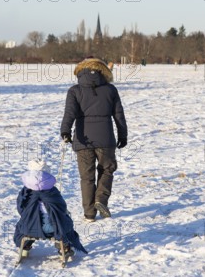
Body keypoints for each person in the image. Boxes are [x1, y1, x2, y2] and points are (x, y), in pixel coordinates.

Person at [61, 57, 128, 221]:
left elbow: (69, 113)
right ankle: (101, 199)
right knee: (107, 169)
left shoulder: (74, 90)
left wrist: (65, 131)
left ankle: (89, 214)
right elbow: (119, 115)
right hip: (106, 139)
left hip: (83, 140)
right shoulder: (111, 90)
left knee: (87, 177)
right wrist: (122, 134)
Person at [13, 159, 87, 257]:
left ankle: (25, 247)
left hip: (30, 228)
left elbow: (21, 209)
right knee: (66, 223)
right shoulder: (52, 192)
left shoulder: (25, 192)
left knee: (21, 225)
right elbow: (61, 208)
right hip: (54, 229)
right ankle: (63, 247)